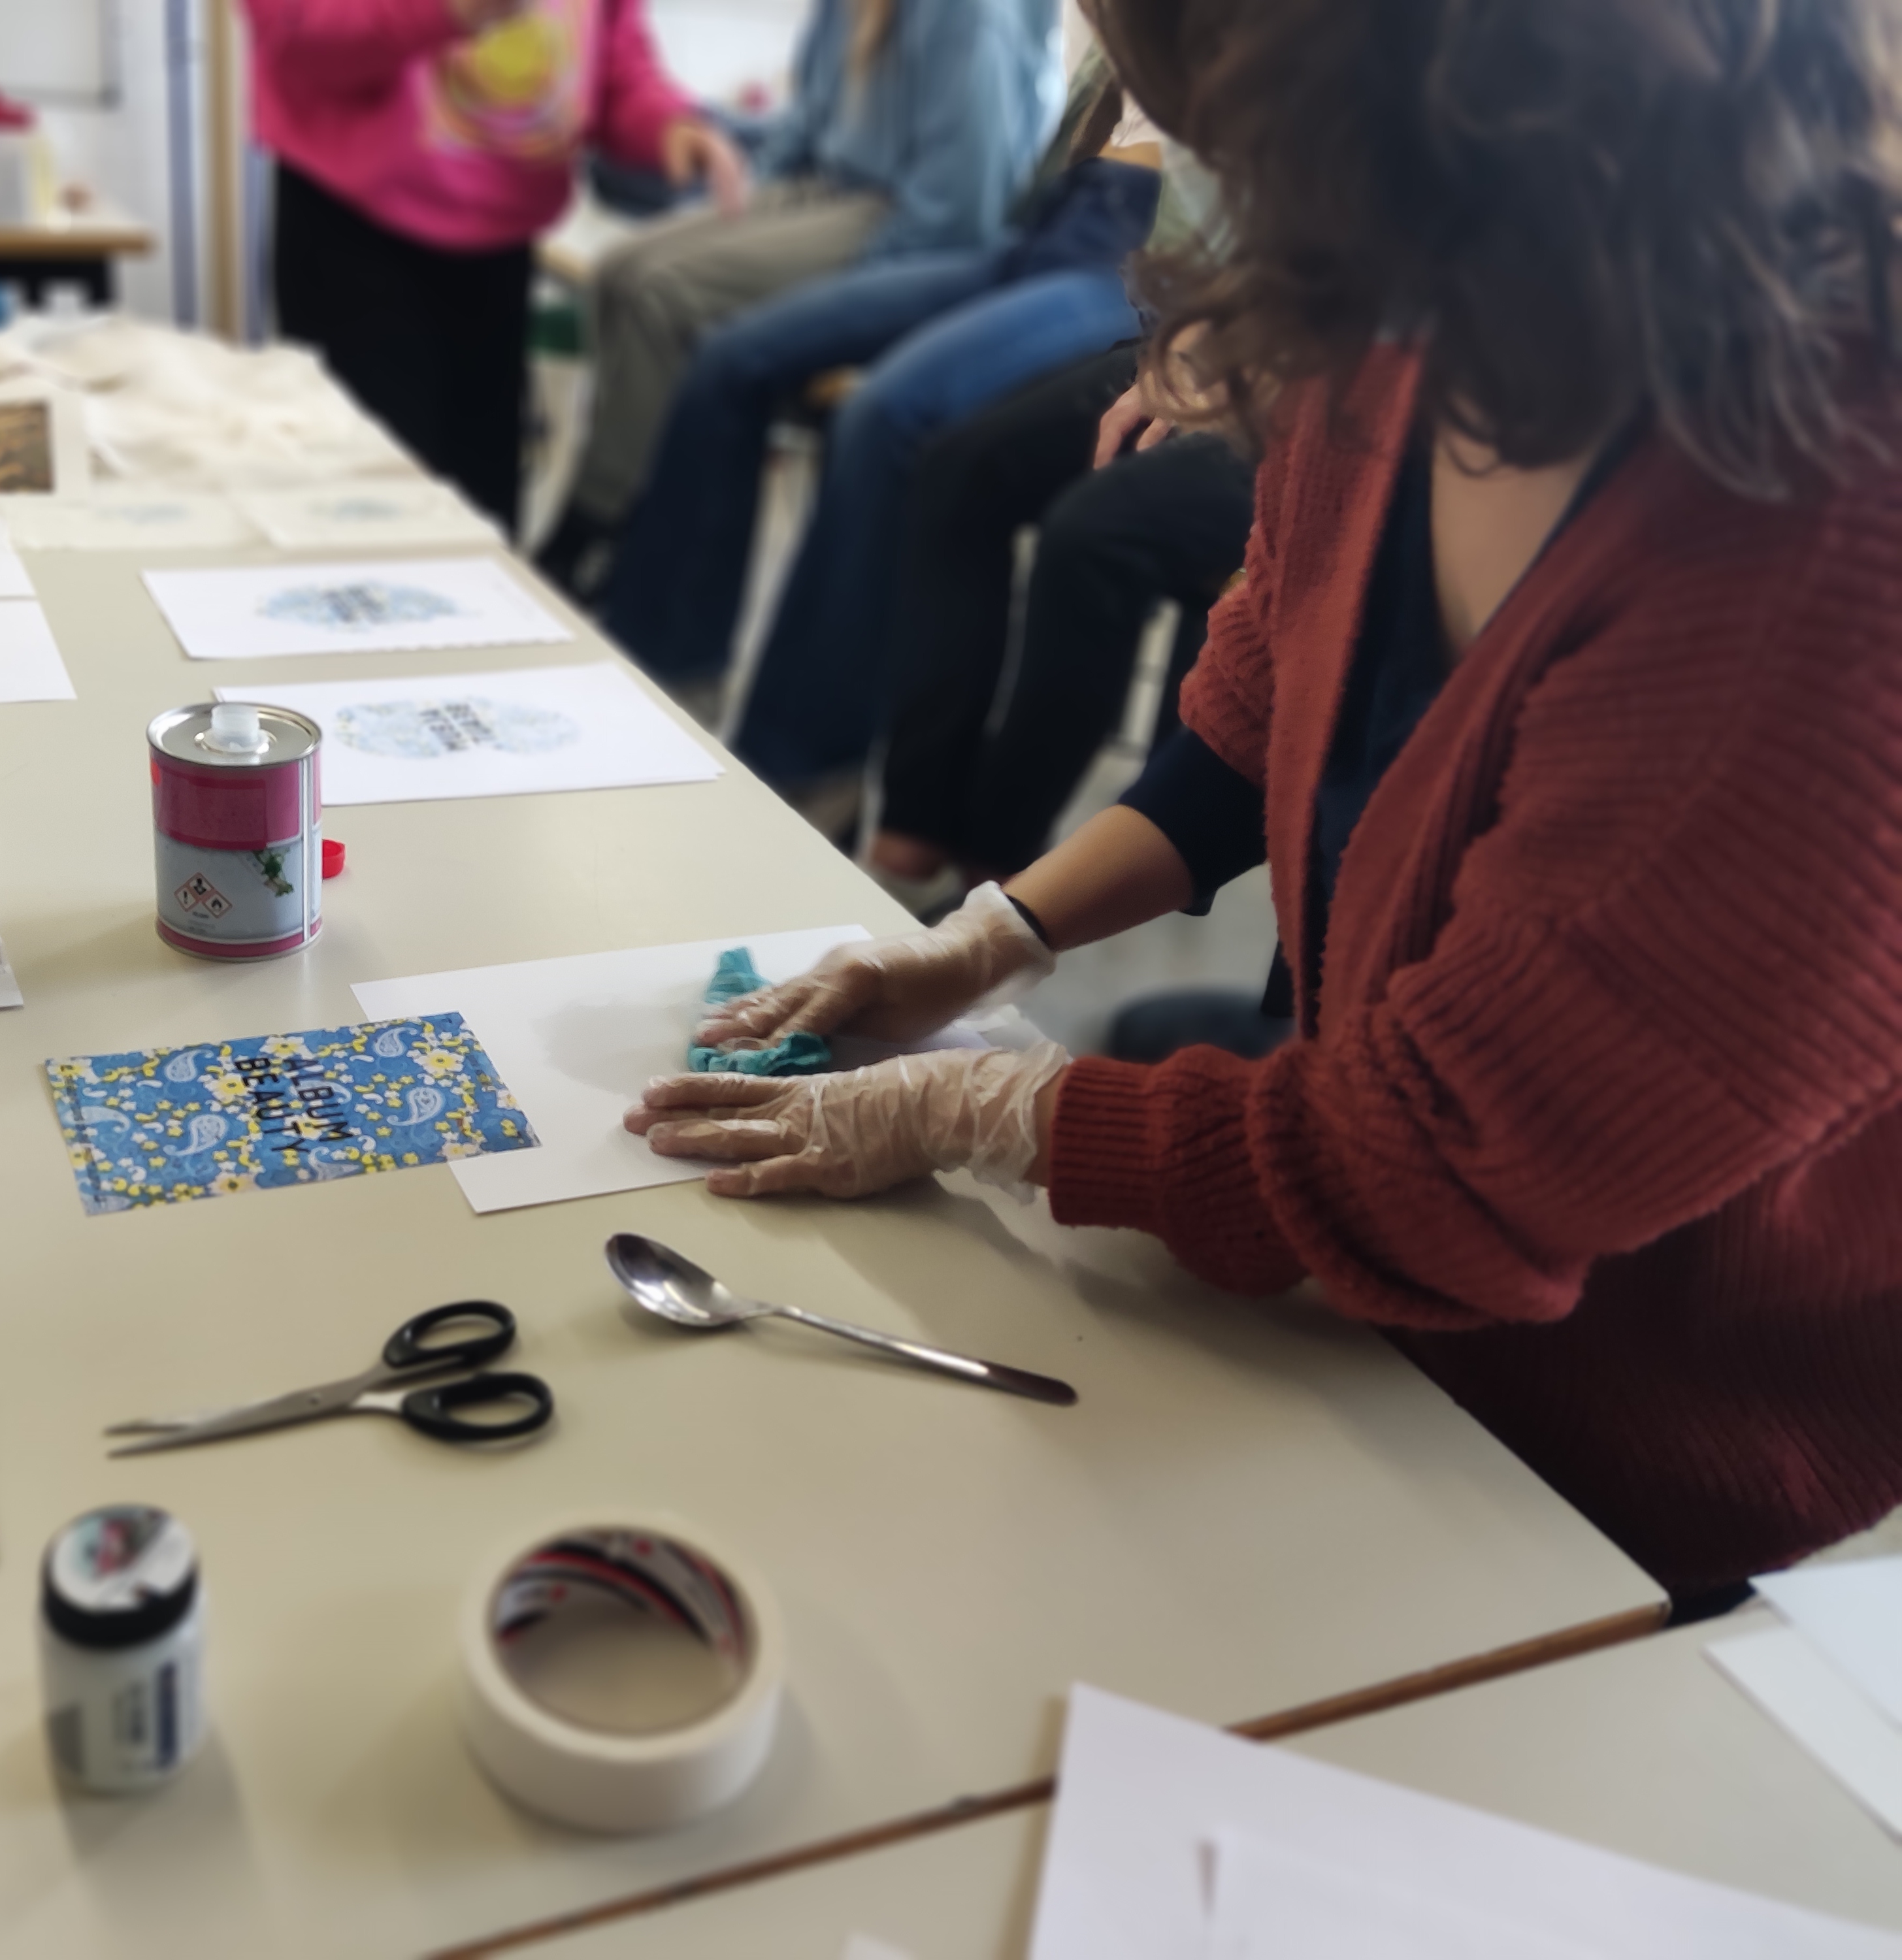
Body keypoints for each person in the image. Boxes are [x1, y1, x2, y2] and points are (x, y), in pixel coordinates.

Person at [628, 0, 1902, 1605]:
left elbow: (1438, 1176)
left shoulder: (1822, 555)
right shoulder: (1417, 304)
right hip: (1382, 1277)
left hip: (1599, 1459)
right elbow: (1257, 712)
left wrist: (974, 1110)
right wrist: (986, 939)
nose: (1202, 169)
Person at [599, 44, 1182, 719]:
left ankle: (801, 752)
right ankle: (658, 668)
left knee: (884, 414)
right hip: (1044, 237)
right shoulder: (1125, 43)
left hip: (1135, 270)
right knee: (733, 354)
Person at [532, 0, 1059, 594]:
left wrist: (840, 286)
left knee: (660, 294)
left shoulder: (971, 15)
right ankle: (623, 506)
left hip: (903, 222)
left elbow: (959, 210)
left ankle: (599, 523)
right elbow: (806, 122)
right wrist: (744, 209)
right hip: (828, 187)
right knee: (618, 272)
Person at [247, 0, 746, 536]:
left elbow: (615, 58)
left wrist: (665, 122)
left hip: (499, 247)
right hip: (353, 233)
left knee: (481, 526)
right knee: (373, 526)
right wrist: (450, 11)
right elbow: (296, 31)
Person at [871, 349, 1254, 887]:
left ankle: (1001, 853)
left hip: (1326, 395)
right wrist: (1181, 346)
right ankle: (915, 821)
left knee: (1096, 534)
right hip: (1240, 340)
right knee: (960, 470)